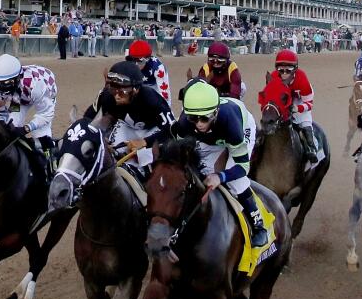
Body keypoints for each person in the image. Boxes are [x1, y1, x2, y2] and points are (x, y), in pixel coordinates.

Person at [51, 60, 175, 204]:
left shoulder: (152, 99)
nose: (116, 95)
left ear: (135, 89)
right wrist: (102, 141)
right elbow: (88, 120)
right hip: (126, 127)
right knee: (111, 157)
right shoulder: (106, 96)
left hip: (153, 131)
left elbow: (172, 130)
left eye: (121, 91)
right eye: (113, 89)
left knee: (149, 165)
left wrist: (145, 142)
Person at [172, 82, 269, 247]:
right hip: (212, 137)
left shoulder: (231, 125)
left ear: (215, 112)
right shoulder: (184, 124)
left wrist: (220, 176)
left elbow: (243, 167)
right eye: (193, 118)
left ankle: (259, 226)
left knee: (235, 181)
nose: (199, 124)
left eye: (204, 118)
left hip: (241, 126)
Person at [0, 54, 58, 176]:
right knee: (11, 126)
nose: (3, 87)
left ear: (17, 77)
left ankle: (50, 168)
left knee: (41, 133)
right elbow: (1, 112)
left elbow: (46, 114)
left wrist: (27, 128)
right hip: (18, 98)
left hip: (43, 91)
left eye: (7, 82)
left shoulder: (36, 86)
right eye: (0, 83)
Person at [266, 49, 325, 163]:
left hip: (300, 102)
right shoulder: (273, 77)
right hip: (282, 102)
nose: (284, 72)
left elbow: (309, 104)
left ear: (295, 69)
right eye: (280, 69)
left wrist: (297, 108)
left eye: (288, 69)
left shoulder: (301, 78)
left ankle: (311, 148)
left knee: (305, 124)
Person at [126, 38, 171, 103]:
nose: (135, 64)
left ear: (147, 58)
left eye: (139, 61)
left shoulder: (158, 68)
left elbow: (165, 95)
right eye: (133, 60)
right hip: (139, 87)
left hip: (155, 88)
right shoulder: (129, 65)